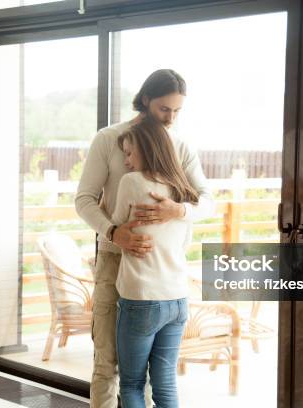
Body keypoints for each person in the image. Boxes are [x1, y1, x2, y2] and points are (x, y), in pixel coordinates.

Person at [75, 69, 215, 408]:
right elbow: (84, 200)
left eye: (177, 111)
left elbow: (207, 201)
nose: (171, 118)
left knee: (151, 378)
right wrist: (113, 232)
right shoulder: (110, 139)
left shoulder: (179, 147)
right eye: (165, 109)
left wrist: (177, 211)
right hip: (114, 261)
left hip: (161, 271)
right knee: (106, 362)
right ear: (147, 100)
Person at [112, 116, 197, 408]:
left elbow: (116, 227)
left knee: (133, 384)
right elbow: (184, 242)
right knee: (165, 383)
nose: (126, 161)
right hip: (177, 299)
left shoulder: (131, 182)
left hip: (141, 299)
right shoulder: (181, 192)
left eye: (129, 152)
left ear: (147, 149)